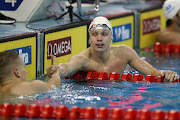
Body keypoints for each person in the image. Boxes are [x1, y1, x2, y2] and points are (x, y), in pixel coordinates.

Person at [47, 16, 178, 82]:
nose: (99, 38)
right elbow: (67, 67)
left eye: (104, 34)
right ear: (89, 38)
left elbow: (153, 73)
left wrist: (166, 74)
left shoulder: (124, 53)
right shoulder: (82, 60)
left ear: (111, 37)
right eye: (95, 34)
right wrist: (58, 70)